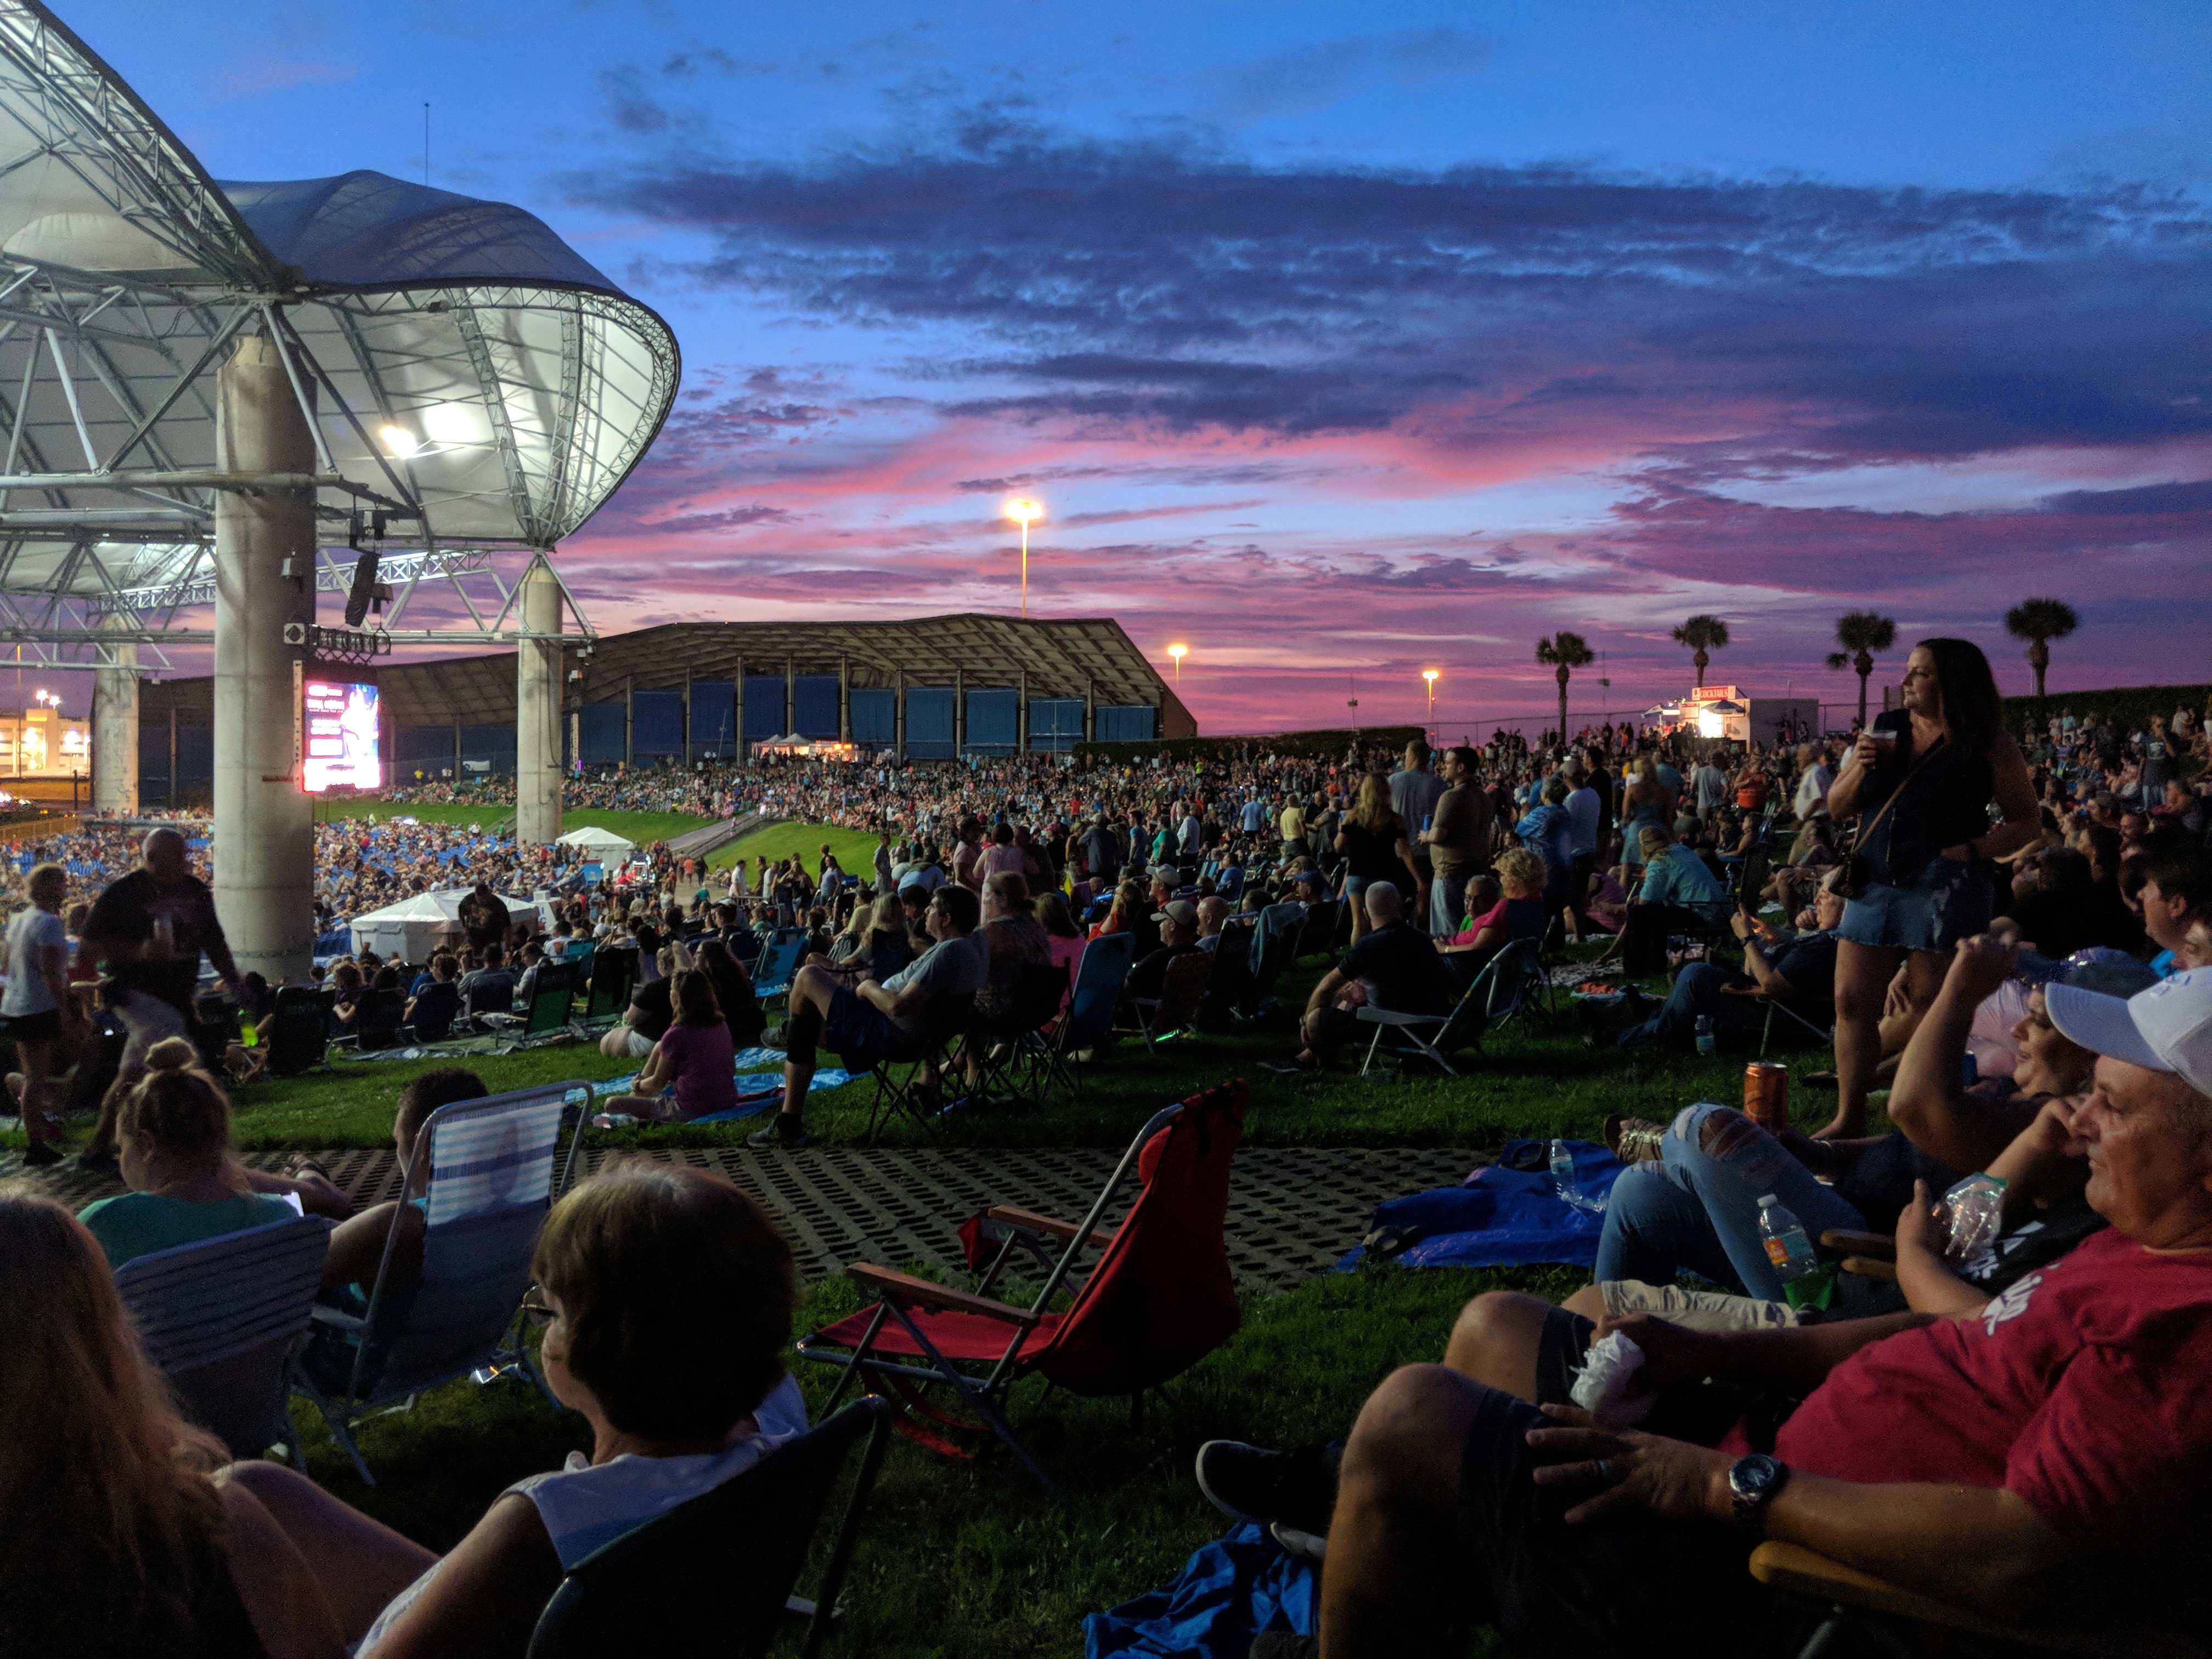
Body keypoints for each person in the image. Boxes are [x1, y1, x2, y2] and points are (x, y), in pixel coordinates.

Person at [1228, 964, 2212, 1658]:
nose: (2078, 1117)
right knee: (1499, 1321)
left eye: (2113, 1106)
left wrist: (1721, 1484)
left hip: (1783, 1577)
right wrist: (1706, 1352)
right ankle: (1400, 1576)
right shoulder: (2134, 1240)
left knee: (1412, 1416)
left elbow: (2022, 1557)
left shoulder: (2181, 1329)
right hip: (1772, 1451)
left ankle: (1389, 1547)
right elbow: (1951, 1331)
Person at [143, 1165, 806, 1657]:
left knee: (232, 1523)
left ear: (594, 1351)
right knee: (259, 1487)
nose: (543, 1325)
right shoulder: (776, 1430)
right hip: (576, 1613)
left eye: (549, 1311)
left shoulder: (543, 1524)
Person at [1825, 639, 2041, 1136]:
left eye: (1919, 673)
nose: (1905, 681)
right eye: (1908, 671)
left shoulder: (1990, 745)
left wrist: (1972, 850)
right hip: (1875, 877)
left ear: (1951, 684)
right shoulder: (1884, 731)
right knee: (1851, 1002)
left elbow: (2026, 821)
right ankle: (1849, 1116)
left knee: (1932, 1008)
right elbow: (1837, 808)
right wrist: (1859, 763)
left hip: (1946, 886)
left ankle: (1922, 1115)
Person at [749, 884, 988, 1150]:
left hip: (891, 1034)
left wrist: (867, 988)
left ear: (946, 919)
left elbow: (899, 1006)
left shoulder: (949, 952)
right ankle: (791, 1047)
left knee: (808, 977)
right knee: (805, 1026)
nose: (926, 911)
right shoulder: (974, 946)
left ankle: (789, 1115)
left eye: (932, 908)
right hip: (918, 1035)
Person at [75, 827, 244, 1171]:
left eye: (184, 855)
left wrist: (235, 982)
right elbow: (88, 947)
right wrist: (138, 952)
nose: (185, 862)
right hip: (137, 993)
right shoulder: (125, 893)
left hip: (175, 996)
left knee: (131, 1075)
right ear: (151, 859)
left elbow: (215, 942)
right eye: (176, 856)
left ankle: (97, 1150)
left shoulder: (195, 892)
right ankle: (200, 1146)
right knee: (182, 1057)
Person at [72, 1039, 298, 1271]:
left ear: (147, 1146)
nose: (121, 1159)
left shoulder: (102, 1224)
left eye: (120, 1148)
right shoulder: (278, 1216)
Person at [1614, 868, 1846, 1050]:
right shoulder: (1831, 938)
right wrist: (1777, 936)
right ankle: (1653, 1017)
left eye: (1824, 897)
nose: (1815, 900)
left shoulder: (1826, 946)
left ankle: (1634, 1035)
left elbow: (1772, 986)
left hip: (1783, 1015)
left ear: (1847, 908)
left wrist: (1747, 939)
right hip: (1768, 999)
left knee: (1695, 976)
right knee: (1695, 974)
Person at [1291, 883, 1457, 1069]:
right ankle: (1308, 1056)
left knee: (1316, 1018)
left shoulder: (1369, 946)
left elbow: (1325, 988)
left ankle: (1326, 1062)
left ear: (1365, 913)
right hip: (1433, 1028)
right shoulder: (1423, 941)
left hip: (1397, 1031)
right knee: (1348, 998)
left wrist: (1306, 1025)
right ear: (1401, 907)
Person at [4, 861, 81, 1166]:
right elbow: (51, 973)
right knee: (37, 1078)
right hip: (38, 1006)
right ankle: (37, 1144)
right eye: (62, 883)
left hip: (16, 1004)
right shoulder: (49, 924)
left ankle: (40, 1132)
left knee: (35, 1075)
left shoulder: (19, 920)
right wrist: (64, 1010)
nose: (66, 888)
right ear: (51, 887)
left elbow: (7, 965)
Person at [600, 969, 737, 1124]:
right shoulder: (720, 1024)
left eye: (672, 990)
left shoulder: (677, 1034)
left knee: (612, 1104)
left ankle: (633, 1101)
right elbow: (732, 1067)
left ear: (677, 997)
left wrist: (638, 1084)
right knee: (659, 1046)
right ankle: (635, 1099)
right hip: (727, 1100)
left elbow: (658, 1082)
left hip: (691, 1109)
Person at [1419, 746, 1494, 937]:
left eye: (1448, 762)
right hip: (1477, 871)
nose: (1443, 766)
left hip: (1450, 874)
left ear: (1461, 767)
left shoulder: (1451, 797)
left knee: (1449, 935)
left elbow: (1437, 835)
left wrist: (1424, 836)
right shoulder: (1483, 797)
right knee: (1471, 931)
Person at [1335, 774, 1418, 944]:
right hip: (1385, 875)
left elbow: (1338, 846)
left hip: (1358, 874)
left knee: (1359, 924)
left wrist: (1343, 830)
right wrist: (1419, 879)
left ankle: (1358, 963)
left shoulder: (1353, 816)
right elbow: (1405, 852)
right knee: (1386, 923)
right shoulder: (1395, 820)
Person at [1388, 741, 1447, 924]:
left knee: (1397, 900)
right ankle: (1421, 934)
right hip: (1426, 851)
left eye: (1405, 756)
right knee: (1424, 897)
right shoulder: (1438, 784)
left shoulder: (1393, 782)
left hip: (1399, 852)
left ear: (1412, 756)